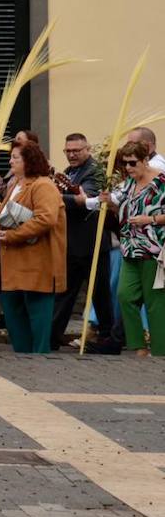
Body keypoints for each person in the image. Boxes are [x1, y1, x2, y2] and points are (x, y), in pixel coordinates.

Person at [0, 142, 67, 354]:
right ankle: (23, 357)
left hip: (35, 265)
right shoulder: (18, 184)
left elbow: (46, 218)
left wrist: (13, 236)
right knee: (14, 315)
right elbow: (10, 214)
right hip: (14, 267)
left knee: (37, 316)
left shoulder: (43, 185)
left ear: (29, 161)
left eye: (15, 157)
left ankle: (38, 358)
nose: (10, 161)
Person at [99, 140, 165, 357]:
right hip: (129, 248)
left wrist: (150, 219)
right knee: (125, 296)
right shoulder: (128, 183)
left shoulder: (161, 182)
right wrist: (109, 202)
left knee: (155, 303)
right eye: (124, 163)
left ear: (145, 160)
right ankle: (138, 345)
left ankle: (160, 351)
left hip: (154, 250)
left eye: (132, 163)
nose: (128, 167)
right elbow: (120, 206)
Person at [49, 133, 113, 351]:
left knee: (100, 294)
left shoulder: (96, 171)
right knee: (64, 293)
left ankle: (107, 337)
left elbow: (89, 200)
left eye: (76, 150)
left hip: (92, 243)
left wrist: (55, 197)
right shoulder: (68, 172)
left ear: (88, 149)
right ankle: (52, 336)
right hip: (72, 242)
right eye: (68, 151)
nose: (72, 155)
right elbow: (73, 199)